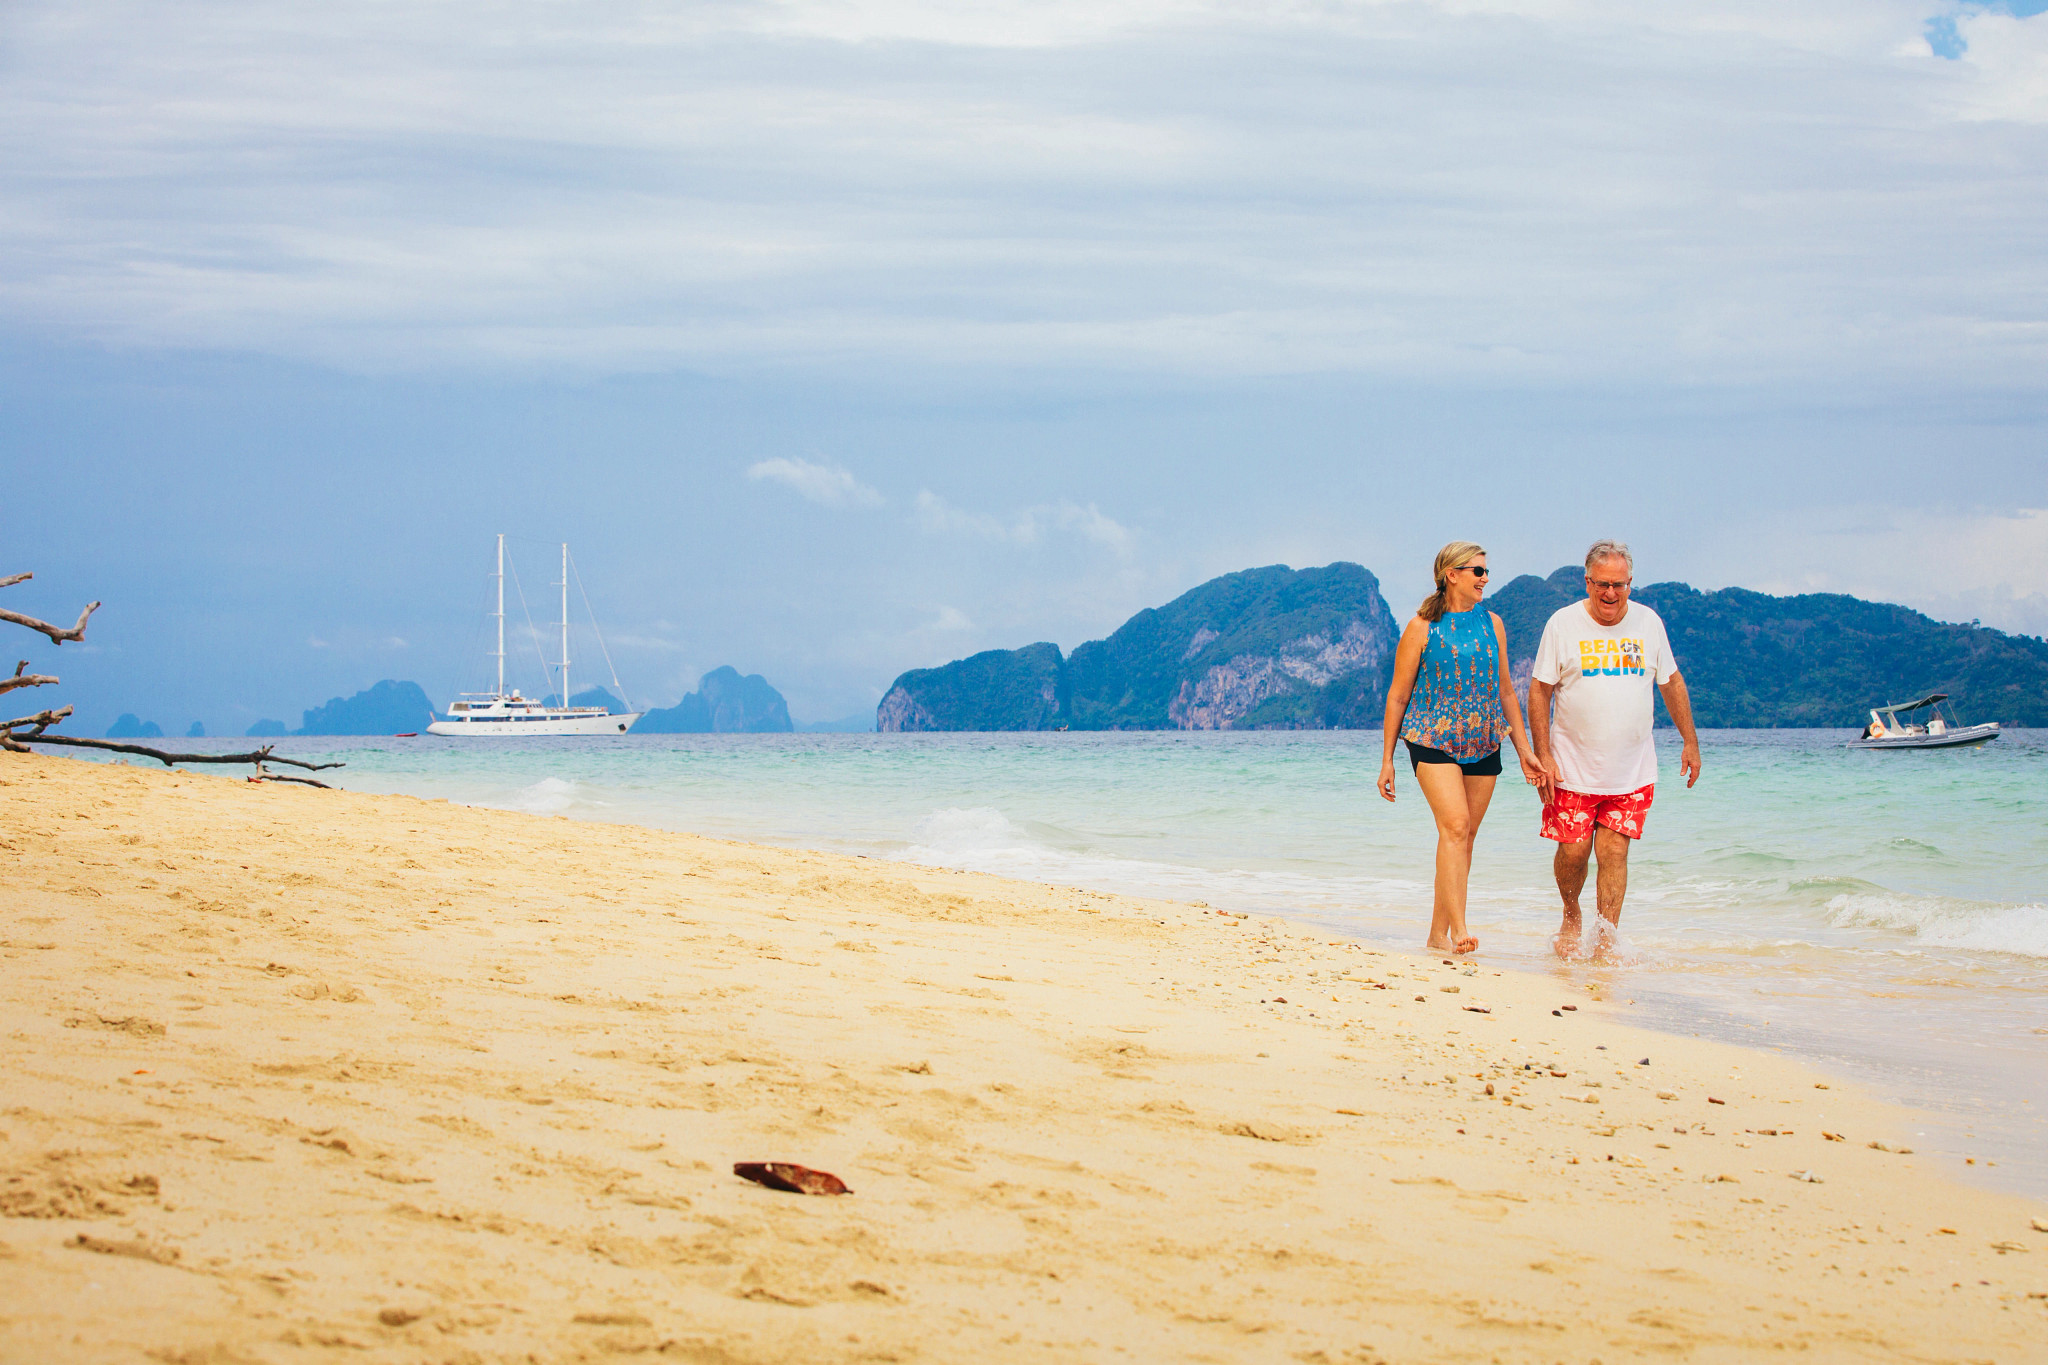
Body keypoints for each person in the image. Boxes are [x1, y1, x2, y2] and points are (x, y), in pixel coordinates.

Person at [1527, 539, 1702, 960]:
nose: (1610, 594)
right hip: (1571, 767)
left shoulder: (1648, 623)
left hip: (1632, 770)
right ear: (1587, 582)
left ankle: (1606, 940)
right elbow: (1539, 691)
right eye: (1602, 584)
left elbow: (1672, 682)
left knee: (1614, 850)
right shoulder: (1563, 624)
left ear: (1630, 583)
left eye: (1619, 585)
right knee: (1573, 851)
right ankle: (1572, 914)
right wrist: (1543, 755)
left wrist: (1690, 741)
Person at [1378, 541, 1548, 955]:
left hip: (1485, 740)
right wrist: (1387, 760)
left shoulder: (1494, 623)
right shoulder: (1420, 628)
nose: (1485, 578)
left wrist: (1525, 749)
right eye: (1477, 571)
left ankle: (1436, 937)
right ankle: (1459, 928)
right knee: (1454, 826)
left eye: (1486, 571)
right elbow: (1398, 696)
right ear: (1451, 574)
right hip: (1431, 739)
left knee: (1464, 837)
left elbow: (1506, 690)